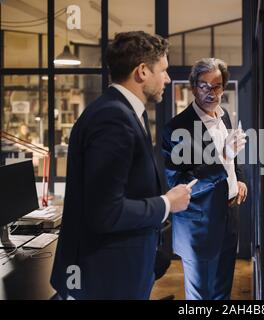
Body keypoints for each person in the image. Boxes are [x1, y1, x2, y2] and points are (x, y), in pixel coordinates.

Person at [50, 31, 191, 300]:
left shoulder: (122, 112)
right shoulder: (114, 117)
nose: (168, 78)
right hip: (106, 278)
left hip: (120, 271)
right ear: (142, 72)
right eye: (163, 70)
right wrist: (167, 203)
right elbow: (105, 211)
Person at [162, 58, 247, 300]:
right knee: (200, 297)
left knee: (222, 293)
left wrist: (239, 179)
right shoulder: (176, 128)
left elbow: (233, 160)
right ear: (193, 87)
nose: (211, 92)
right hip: (198, 226)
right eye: (204, 86)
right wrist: (222, 157)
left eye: (217, 85)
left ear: (224, 87)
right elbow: (179, 183)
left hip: (229, 216)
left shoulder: (225, 117)